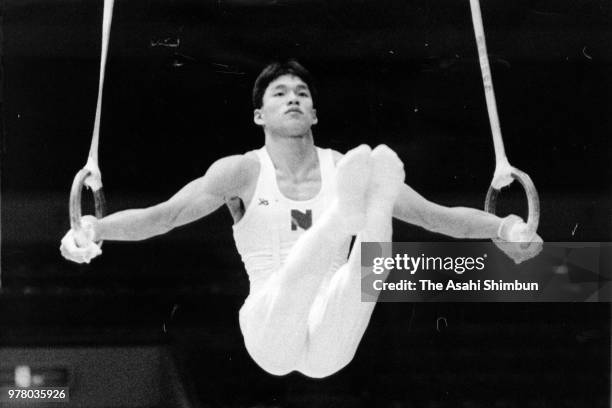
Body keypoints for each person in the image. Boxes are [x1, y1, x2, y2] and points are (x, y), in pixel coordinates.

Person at [61, 60, 542, 378]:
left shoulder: (346, 167)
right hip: (269, 321)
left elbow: (441, 219)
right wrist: (95, 229)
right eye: (279, 93)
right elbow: (163, 217)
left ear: (314, 113)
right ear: (259, 115)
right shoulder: (243, 172)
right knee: (297, 279)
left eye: (302, 93)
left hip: (334, 329)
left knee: (366, 273)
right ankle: (348, 220)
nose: (292, 98)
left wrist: (505, 228)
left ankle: (368, 219)